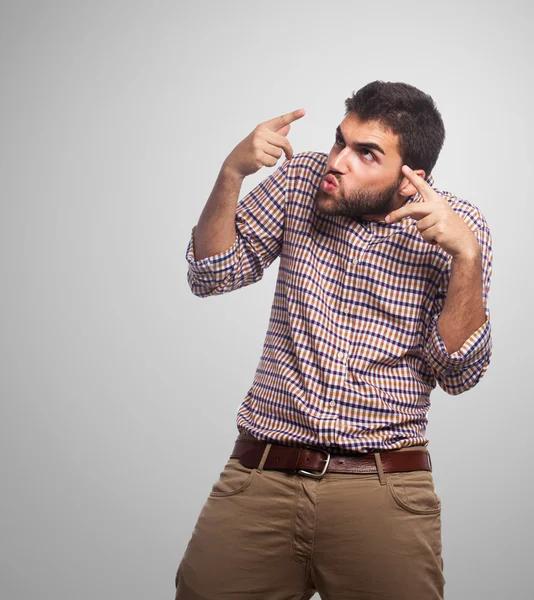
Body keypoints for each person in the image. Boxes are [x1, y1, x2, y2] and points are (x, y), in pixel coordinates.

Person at [174, 81, 493, 599]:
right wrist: (231, 172)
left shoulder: (459, 229)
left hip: (381, 487)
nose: (339, 161)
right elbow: (212, 274)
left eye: (366, 153)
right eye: (340, 142)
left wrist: (466, 259)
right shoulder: (303, 181)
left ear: (412, 179)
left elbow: (459, 375)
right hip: (261, 475)